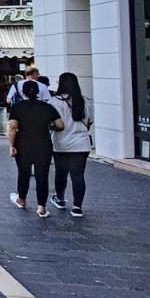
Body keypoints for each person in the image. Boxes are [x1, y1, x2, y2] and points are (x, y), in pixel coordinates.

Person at [9, 79, 63, 217]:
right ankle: (42, 208)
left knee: (24, 173)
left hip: (23, 144)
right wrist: (48, 126)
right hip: (43, 143)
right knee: (42, 176)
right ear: (38, 92)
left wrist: (11, 145)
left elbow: (13, 127)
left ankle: (21, 200)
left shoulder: (18, 106)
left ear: (23, 92)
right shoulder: (47, 107)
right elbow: (60, 125)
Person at [49, 72, 93, 218]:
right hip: (82, 143)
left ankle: (60, 198)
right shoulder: (84, 101)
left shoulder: (54, 101)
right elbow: (89, 122)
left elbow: (53, 123)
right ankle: (77, 206)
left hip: (61, 143)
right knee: (78, 175)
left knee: (61, 173)